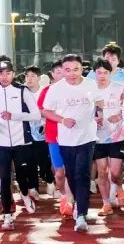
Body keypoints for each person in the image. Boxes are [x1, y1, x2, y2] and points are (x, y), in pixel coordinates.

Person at [41, 54, 100, 232]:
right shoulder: (56, 89)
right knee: (72, 175)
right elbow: (45, 111)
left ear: (82, 69)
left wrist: (99, 113)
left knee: (82, 173)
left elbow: (98, 102)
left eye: (76, 69)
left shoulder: (91, 84)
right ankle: (76, 204)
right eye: (67, 70)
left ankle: (81, 214)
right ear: (63, 71)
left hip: (87, 137)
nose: (72, 73)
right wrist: (62, 120)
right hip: (65, 139)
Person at [0, 59, 42, 230]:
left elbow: (36, 115)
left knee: (21, 175)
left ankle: (25, 194)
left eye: (8, 73)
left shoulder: (23, 91)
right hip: (1, 143)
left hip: (22, 142)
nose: (4, 76)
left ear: (13, 73)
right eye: (0, 73)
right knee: (4, 178)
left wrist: (15, 116)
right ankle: (7, 215)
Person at [90, 58, 124, 216]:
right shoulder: (90, 90)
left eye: (105, 72)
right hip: (98, 137)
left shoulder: (119, 89)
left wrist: (119, 116)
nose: (102, 75)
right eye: (99, 72)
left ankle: (119, 187)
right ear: (94, 73)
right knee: (102, 172)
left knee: (115, 172)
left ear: (110, 73)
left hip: (116, 136)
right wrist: (93, 119)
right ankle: (106, 203)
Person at [38, 60, 74, 215]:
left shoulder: (76, 89)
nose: (62, 74)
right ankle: (64, 195)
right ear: (52, 74)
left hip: (74, 136)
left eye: (64, 71)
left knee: (72, 171)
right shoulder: (47, 91)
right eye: (58, 72)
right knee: (59, 173)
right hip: (54, 136)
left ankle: (70, 201)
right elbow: (41, 110)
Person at [22, 66, 52, 197]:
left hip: (42, 131)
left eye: (33, 76)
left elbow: (50, 110)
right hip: (26, 132)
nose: (29, 79)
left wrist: (45, 123)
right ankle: (33, 187)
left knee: (44, 160)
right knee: (29, 161)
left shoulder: (44, 92)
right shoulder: (22, 92)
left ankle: (49, 180)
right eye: (27, 76)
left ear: (39, 78)